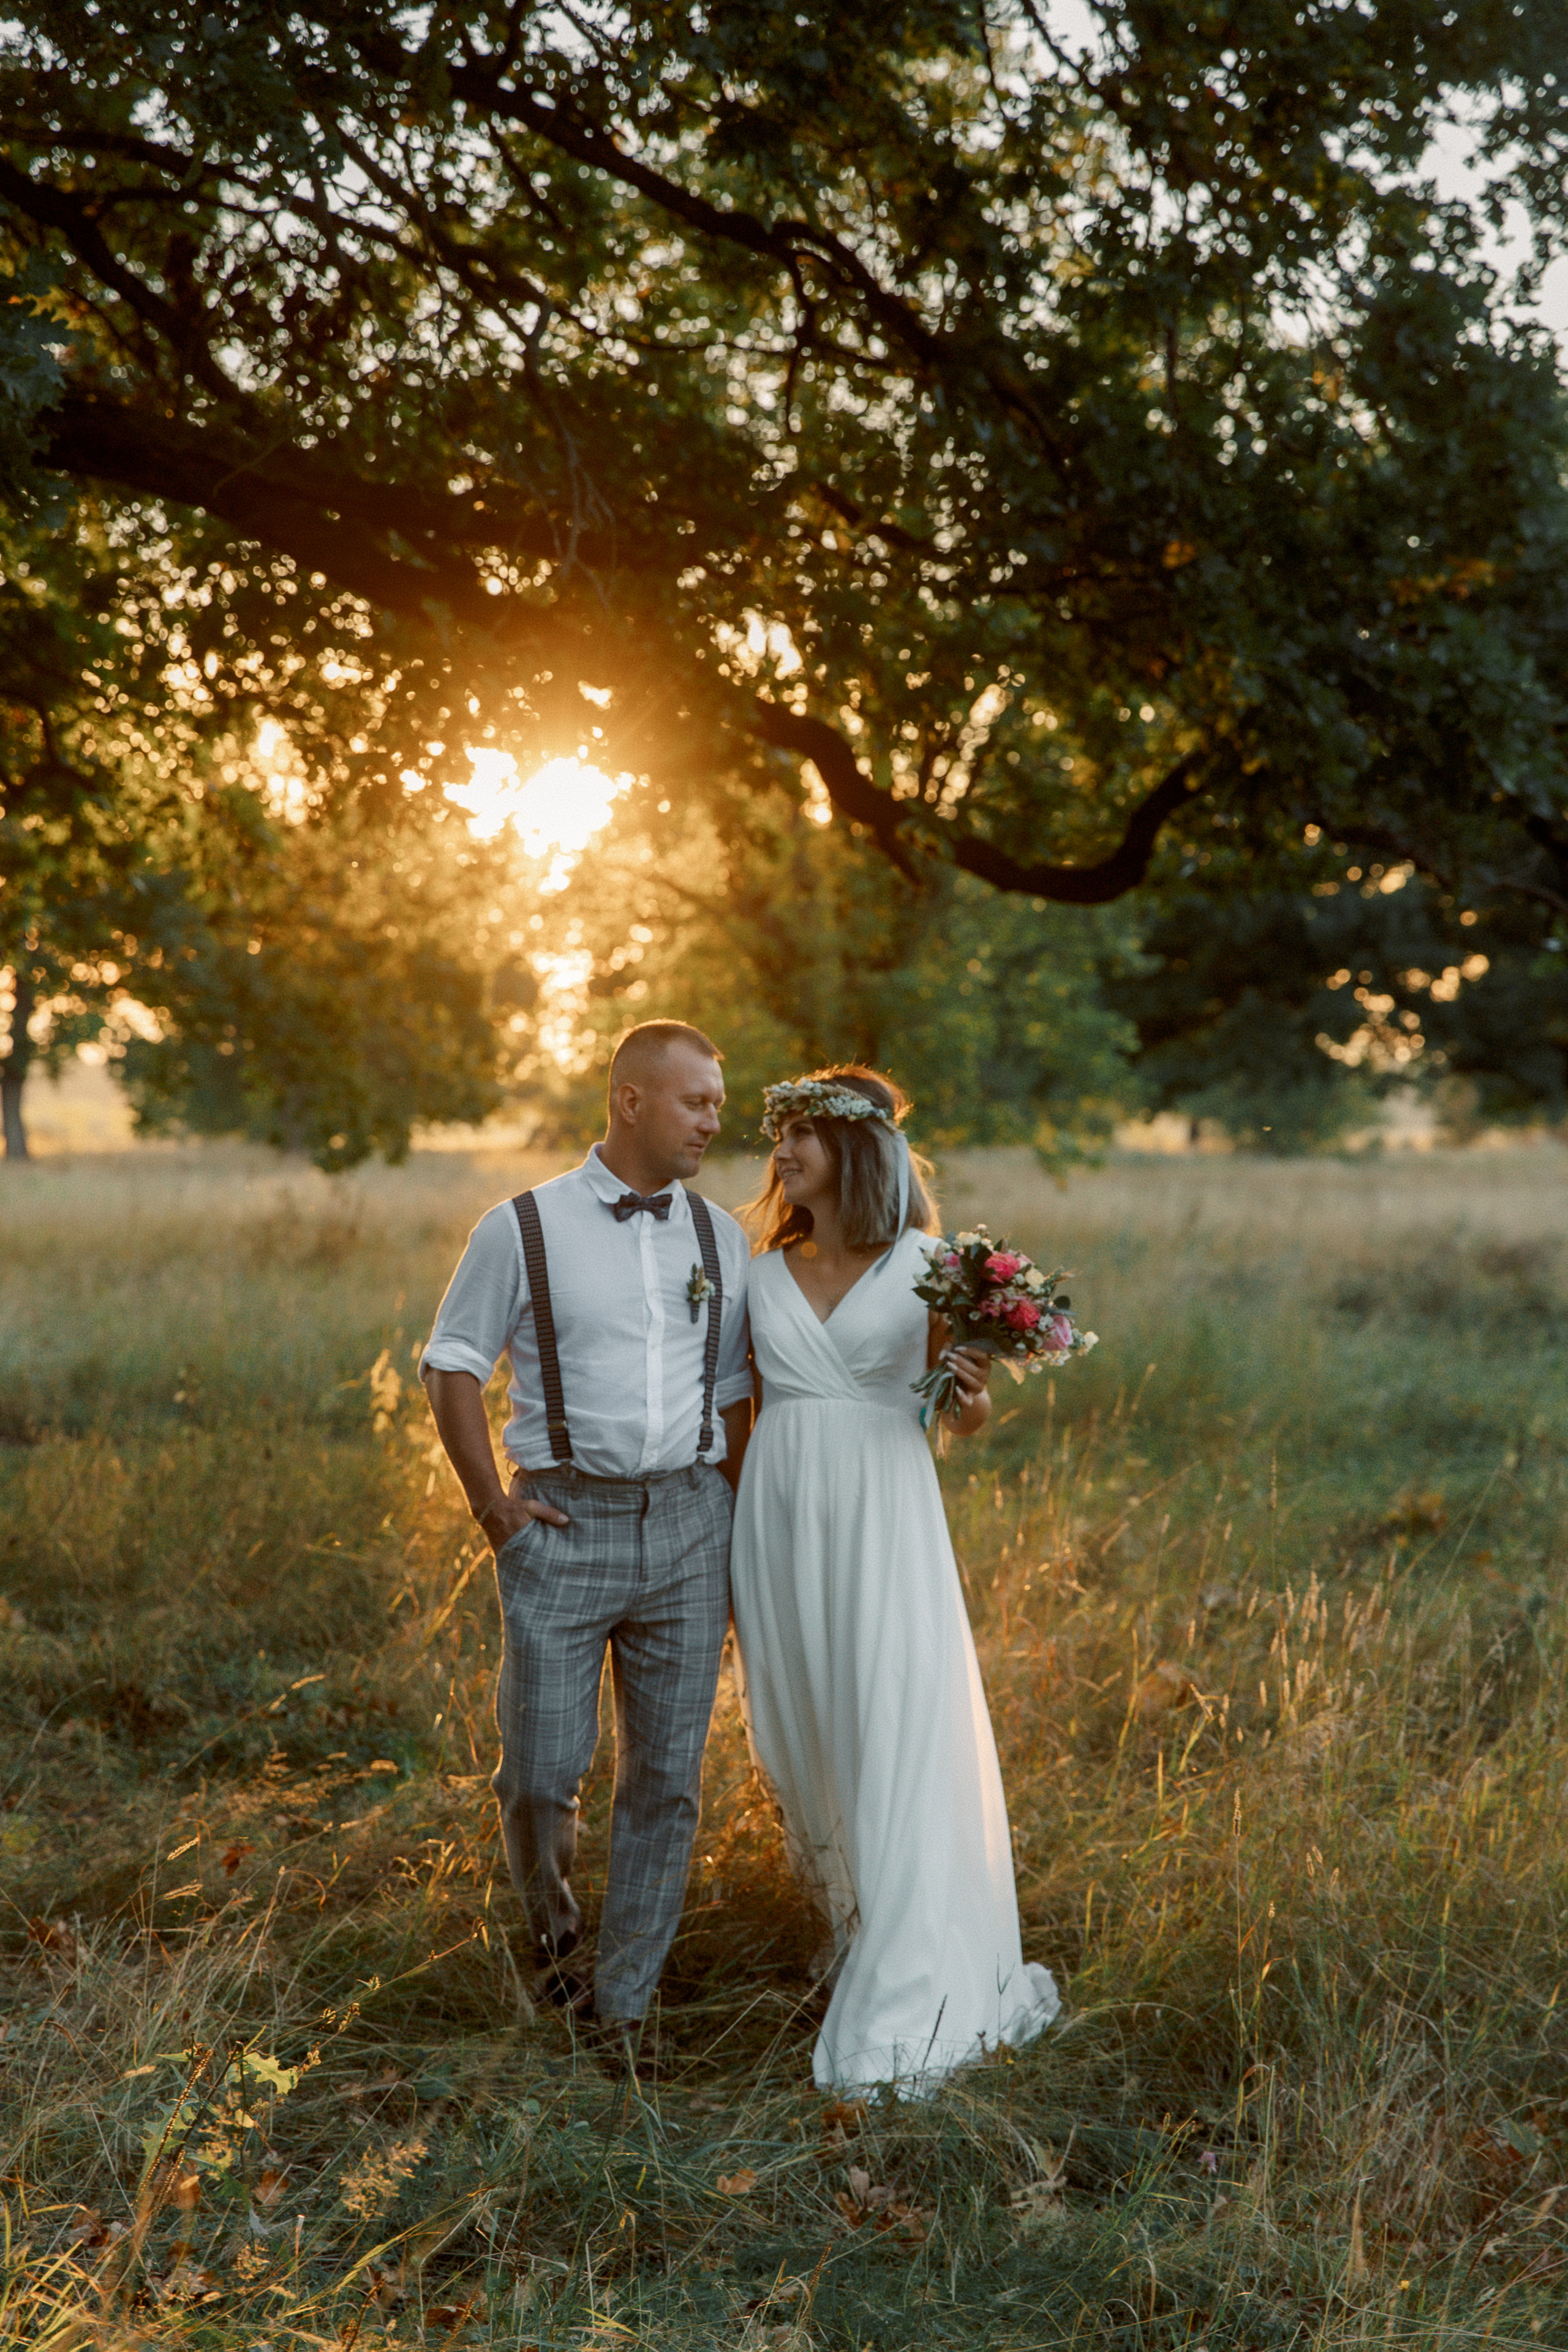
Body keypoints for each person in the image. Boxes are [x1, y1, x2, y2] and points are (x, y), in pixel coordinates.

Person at [420, 1022, 755, 2076]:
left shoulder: (722, 1238)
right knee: (540, 1774)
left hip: (693, 1526)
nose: (715, 1120)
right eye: (698, 1101)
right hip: (560, 1529)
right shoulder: (520, 1228)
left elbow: (739, 1398)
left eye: (717, 1102)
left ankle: (625, 2006)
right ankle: (559, 1945)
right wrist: (492, 1511)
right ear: (631, 1102)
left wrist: (735, 1522)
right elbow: (452, 1367)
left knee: (668, 1782)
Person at [729, 1066, 1060, 2092]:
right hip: (776, 1517)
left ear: (855, 1149)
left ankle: (913, 1968)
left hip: (886, 1511)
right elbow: (738, 1416)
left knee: (895, 1718)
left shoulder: (930, 1266)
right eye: (776, 1136)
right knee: (809, 1724)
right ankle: (847, 1923)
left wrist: (968, 1396)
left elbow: (959, 1417)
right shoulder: (758, 1270)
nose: (780, 1154)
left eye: (800, 1136)